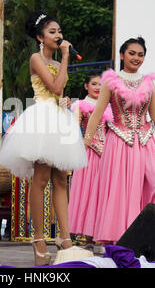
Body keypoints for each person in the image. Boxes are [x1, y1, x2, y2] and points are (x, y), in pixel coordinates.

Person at [0, 10, 87, 265]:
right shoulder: (36, 58)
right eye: (52, 32)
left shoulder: (59, 63)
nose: (58, 35)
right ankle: (38, 240)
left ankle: (65, 239)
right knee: (42, 177)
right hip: (42, 118)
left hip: (59, 116)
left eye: (59, 31)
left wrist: (65, 99)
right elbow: (54, 87)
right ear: (40, 37)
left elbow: (59, 91)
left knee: (61, 179)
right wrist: (66, 58)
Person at [83, 37, 155, 244]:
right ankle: (123, 240)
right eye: (132, 53)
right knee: (123, 195)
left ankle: (153, 234)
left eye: (140, 54)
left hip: (145, 142)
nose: (136, 58)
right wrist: (85, 142)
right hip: (119, 143)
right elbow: (97, 114)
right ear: (122, 55)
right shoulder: (111, 82)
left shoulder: (148, 83)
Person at [67, 73, 113, 252]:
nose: (98, 87)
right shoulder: (79, 105)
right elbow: (73, 130)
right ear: (86, 86)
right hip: (88, 155)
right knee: (87, 195)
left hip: (107, 156)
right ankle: (87, 238)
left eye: (101, 84)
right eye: (94, 84)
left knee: (102, 195)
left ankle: (101, 237)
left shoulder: (109, 107)